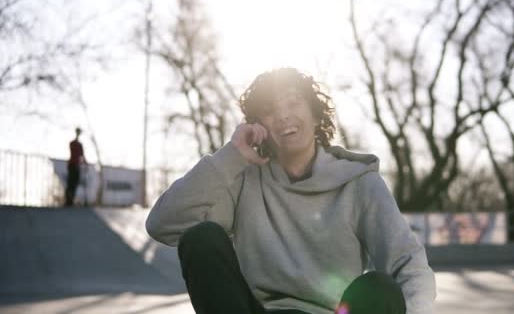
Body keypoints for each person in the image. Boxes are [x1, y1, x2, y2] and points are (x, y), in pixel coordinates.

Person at [146, 68, 436, 314]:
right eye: (269, 111)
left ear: (314, 113)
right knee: (202, 237)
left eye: (293, 103)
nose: (283, 116)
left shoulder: (359, 184)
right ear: (258, 126)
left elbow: (409, 264)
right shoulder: (244, 180)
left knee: (380, 288)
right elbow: (163, 224)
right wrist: (231, 156)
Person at [65, 127, 87, 207]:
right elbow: (76, 154)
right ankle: (67, 201)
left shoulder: (80, 145)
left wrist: (85, 163)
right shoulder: (72, 143)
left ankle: (71, 201)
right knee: (70, 183)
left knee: (75, 183)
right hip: (72, 165)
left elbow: (82, 155)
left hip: (77, 166)